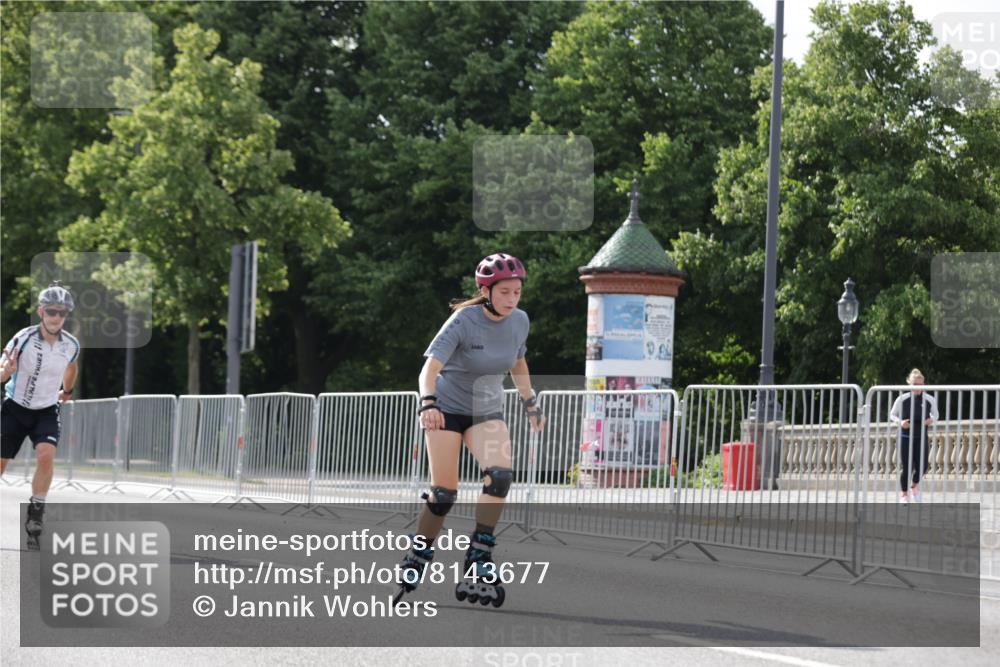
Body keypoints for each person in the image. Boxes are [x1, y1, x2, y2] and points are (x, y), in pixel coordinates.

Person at [395, 252, 545, 608]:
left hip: (486, 410)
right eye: (505, 292)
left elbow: (519, 361)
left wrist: (530, 402)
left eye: (517, 292)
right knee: (445, 493)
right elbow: (429, 369)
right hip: (446, 408)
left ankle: (480, 553)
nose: (512, 299)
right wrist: (428, 403)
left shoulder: (519, 321)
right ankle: (419, 553)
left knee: (500, 476)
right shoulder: (464, 320)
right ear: (486, 290)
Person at [1, 283, 80, 549]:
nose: (56, 317)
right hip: (15, 407)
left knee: (46, 454)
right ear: (41, 311)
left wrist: (67, 392)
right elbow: (1, 369)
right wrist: (5, 373)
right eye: (51, 311)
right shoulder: (23, 338)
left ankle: (36, 515)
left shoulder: (70, 344)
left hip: (46, 409)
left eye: (62, 312)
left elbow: (71, 368)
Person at [889, 369, 938, 504]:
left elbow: (936, 414)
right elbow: (892, 415)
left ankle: (914, 486)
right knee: (907, 466)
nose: (918, 388)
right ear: (909, 385)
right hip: (905, 437)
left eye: (921, 385)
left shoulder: (929, 399)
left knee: (923, 466)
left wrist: (931, 420)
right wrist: (901, 422)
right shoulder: (902, 399)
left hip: (921, 437)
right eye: (915, 385)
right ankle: (904, 494)